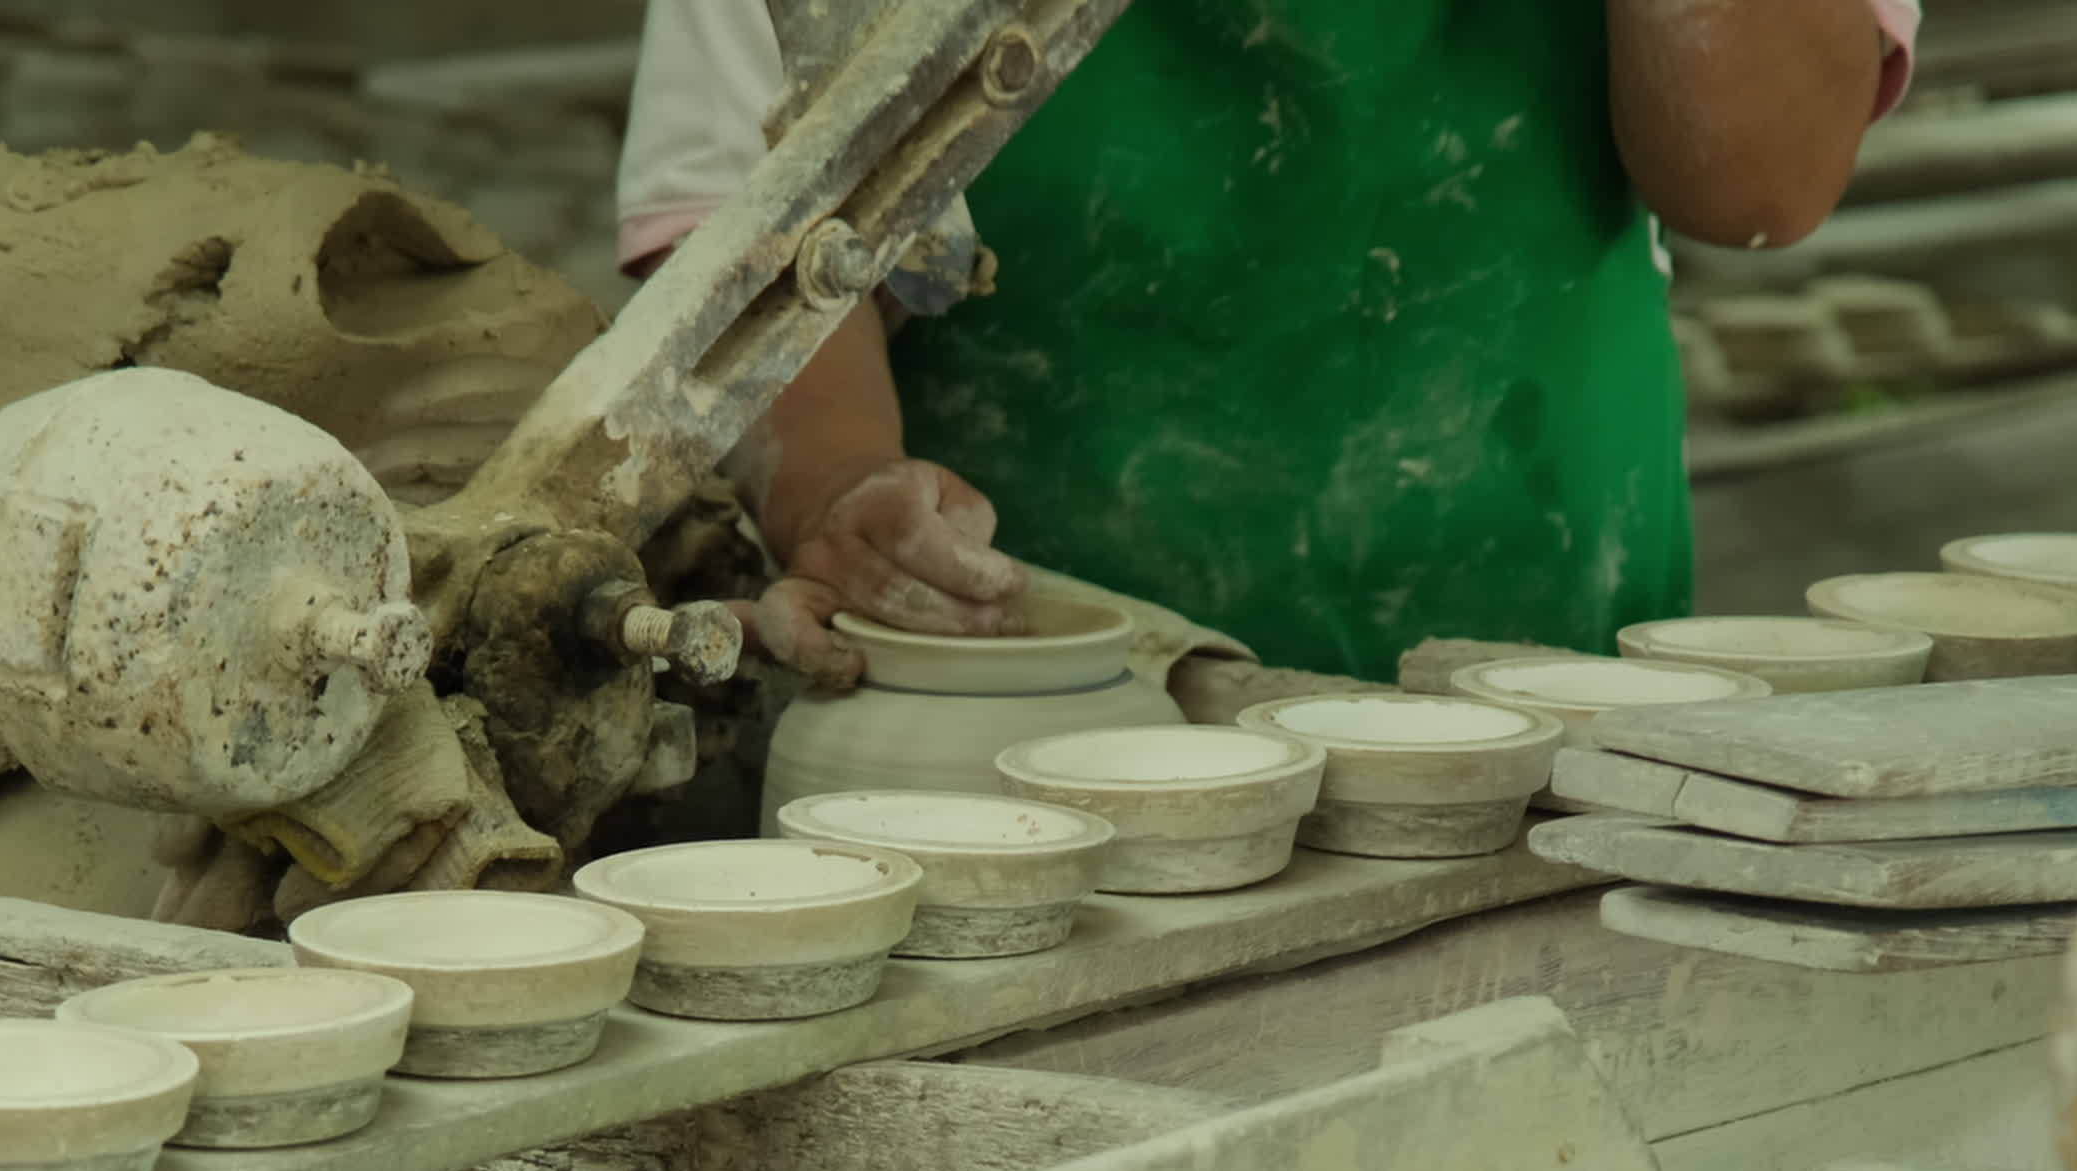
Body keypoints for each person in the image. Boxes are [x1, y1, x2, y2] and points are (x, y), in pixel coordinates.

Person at [618, 1, 1922, 684]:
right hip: (1027, 720)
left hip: (1546, 685)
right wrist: (846, 493)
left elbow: (1761, 185)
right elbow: (755, 231)